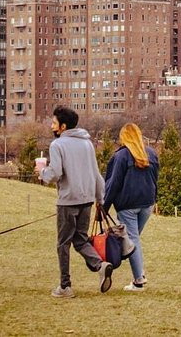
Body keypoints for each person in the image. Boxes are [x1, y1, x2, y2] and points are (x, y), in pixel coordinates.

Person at [36, 106, 113, 298]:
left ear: (62, 126)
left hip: (68, 201)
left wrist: (42, 173)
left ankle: (65, 285)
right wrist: (99, 198)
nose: (51, 127)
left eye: (54, 123)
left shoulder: (57, 145)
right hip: (86, 199)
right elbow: (96, 174)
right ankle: (100, 265)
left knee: (63, 243)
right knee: (80, 239)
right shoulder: (87, 144)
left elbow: (56, 173)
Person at [103, 123, 159, 292]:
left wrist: (104, 207)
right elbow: (155, 179)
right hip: (147, 204)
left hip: (127, 205)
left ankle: (139, 280)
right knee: (133, 239)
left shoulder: (121, 156)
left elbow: (113, 184)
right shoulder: (151, 154)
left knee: (132, 240)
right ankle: (137, 272)